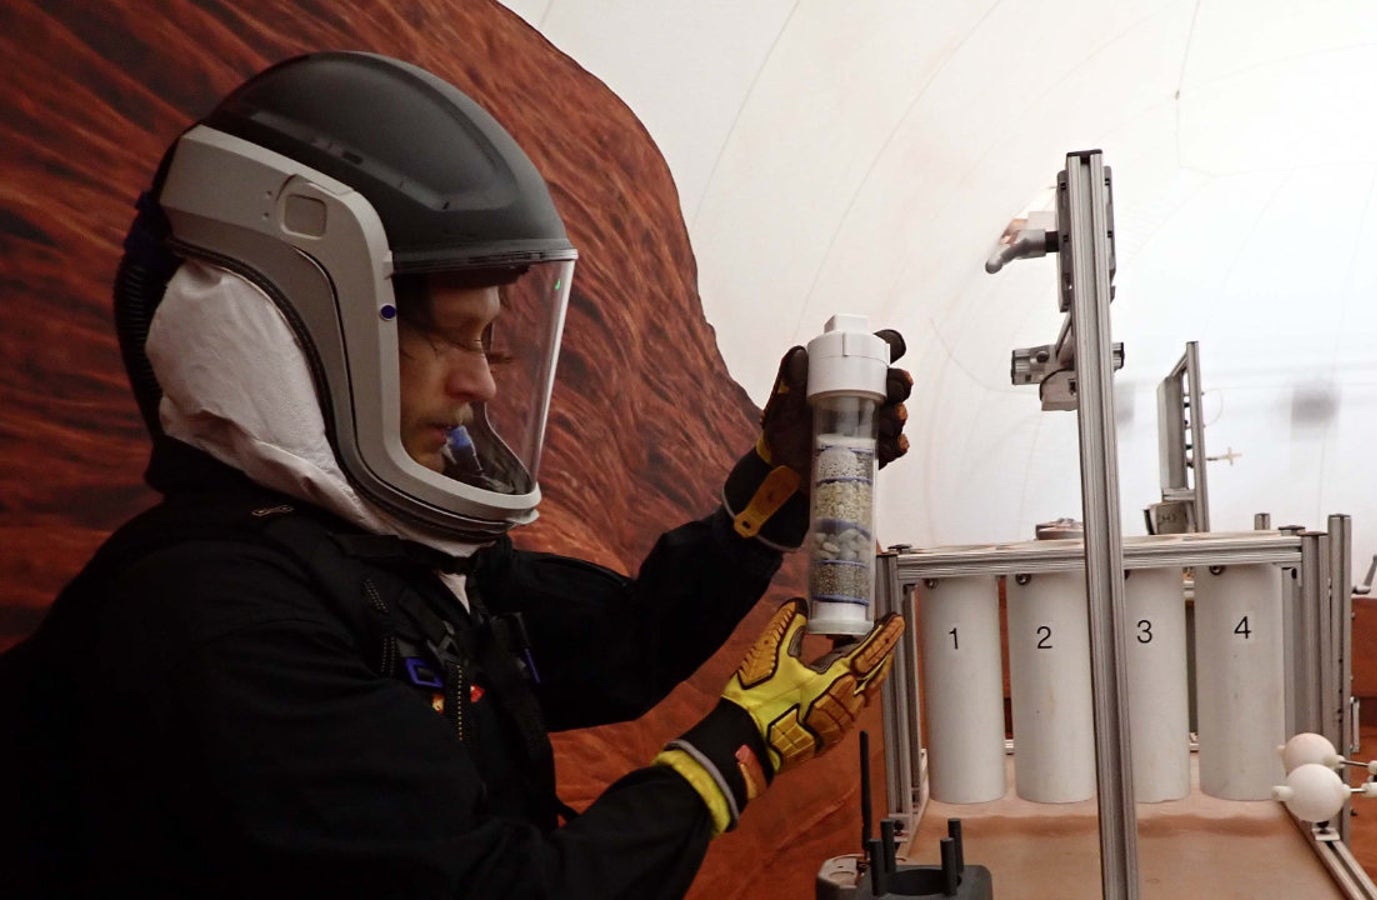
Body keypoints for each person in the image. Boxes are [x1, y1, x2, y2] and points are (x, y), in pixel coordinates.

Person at [3, 51, 912, 898]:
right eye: (444, 335)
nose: (483, 382)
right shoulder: (218, 619)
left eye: (490, 341)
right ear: (292, 328)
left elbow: (620, 646)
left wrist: (776, 486)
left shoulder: (373, 560)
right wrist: (736, 753)